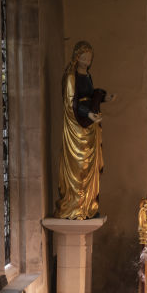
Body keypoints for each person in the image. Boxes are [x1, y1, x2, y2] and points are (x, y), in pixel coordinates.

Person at [54, 41, 113, 219]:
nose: (87, 60)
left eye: (89, 57)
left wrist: (103, 98)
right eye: (84, 56)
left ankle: (88, 206)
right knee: (79, 167)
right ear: (76, 57)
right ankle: (74, 206)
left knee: (90, 169)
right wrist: (88, 114)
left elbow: (89, 96)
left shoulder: (87, 75)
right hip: (77, 128)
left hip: (90, 127)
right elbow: (71, 103)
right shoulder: (71, 77)